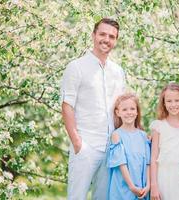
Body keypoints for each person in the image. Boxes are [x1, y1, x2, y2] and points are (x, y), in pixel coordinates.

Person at [60, 18, 125, 200]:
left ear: (116, 41)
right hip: (86, 145)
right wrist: (78, 143)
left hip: (111, 148)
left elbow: (121, 109)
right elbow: (67, 106)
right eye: (102, 34)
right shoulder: (76, 67)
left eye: (112, 36)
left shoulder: (118, 72)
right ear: (93, 35)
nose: (106, 39)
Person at [150, 83, 179, 200]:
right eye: (169, 101)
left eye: (177, 100)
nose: (173, 104)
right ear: (164, 103)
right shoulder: (159, 127)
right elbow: (154, 159)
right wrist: (154, 185)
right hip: (164, 179)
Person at [107, 93, 150, 200]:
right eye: (125, 109)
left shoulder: (143, 136)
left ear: (137, 112)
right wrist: (131, 187)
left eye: (132, 109)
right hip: (124, 187)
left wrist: (148, 185)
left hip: (142, 187)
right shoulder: (117, 135)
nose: (129, 112)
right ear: (118, 112)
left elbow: (149, 163)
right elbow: (121, 163)